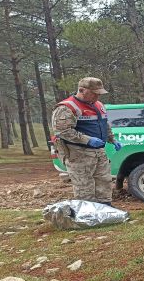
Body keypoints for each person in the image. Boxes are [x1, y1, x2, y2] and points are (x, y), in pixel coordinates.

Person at [51, 77, 122, 205]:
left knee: (104, 180)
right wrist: (87, 140)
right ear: (82, 90)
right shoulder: (67, 107)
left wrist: (112, 139)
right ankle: (88, 213)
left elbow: (104, 124)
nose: (97, 96)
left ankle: (105, 209)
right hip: (78, 153)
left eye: (99, 93)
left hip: (99, 151)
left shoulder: (99, 105)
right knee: (84, 184)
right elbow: (63, 131)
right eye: (94, 93)